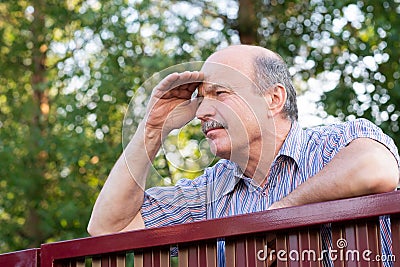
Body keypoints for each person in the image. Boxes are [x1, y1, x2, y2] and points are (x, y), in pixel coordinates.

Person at [87, 45, 400, 266]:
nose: (202, 112)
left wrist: (281, 212)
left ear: (274, 99)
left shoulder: (333, 144)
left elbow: (376, 169)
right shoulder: (208, 190)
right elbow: (108, 227)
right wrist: (152, 129)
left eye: (220, 93)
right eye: (200, 101)